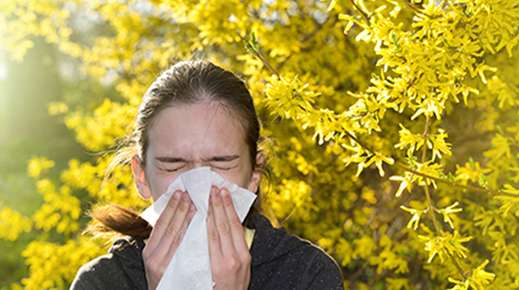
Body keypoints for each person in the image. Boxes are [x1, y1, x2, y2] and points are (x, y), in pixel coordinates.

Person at [70, 60, 344, 290]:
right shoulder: (102, 283)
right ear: (141, 176)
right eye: (174, 164)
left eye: (221, 162)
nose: (197, 186)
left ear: (254, 173)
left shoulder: (307, 275)